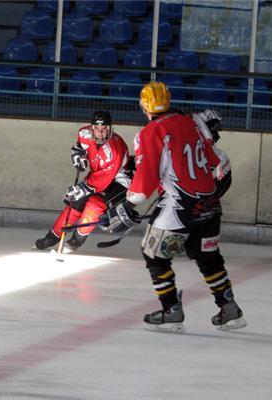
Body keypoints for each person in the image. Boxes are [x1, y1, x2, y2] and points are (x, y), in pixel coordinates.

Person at [105, 82, 246, 333]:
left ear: (144, 106)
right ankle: (229, 309)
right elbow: (214, 161)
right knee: (207, 256)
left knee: (153, 254)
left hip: (179, 206)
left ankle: (171, 311)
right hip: (210, 203)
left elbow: (143, 184)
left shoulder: (149, 133)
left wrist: (127, 204)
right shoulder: (191, 123)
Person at [34, 110, 131, 253]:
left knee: (95, 203)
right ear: (92, 128)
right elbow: (80, 147)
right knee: (76, 201)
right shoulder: (84, 134)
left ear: (110, 128)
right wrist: (78, 154)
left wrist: (82, 189)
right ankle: (53, 236)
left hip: (119, 180)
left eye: (104, 129)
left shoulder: (115, 150)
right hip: (97, 175)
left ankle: (76, 240)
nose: (100, 133)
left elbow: (102, 181)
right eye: (96, 128)